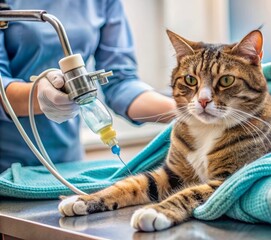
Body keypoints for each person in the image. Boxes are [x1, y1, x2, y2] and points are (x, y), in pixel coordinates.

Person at [0, 0, 176, 172]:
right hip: (7, 162)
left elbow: (120, 82)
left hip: (67, 164)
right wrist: (39, 94)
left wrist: (182, 112)